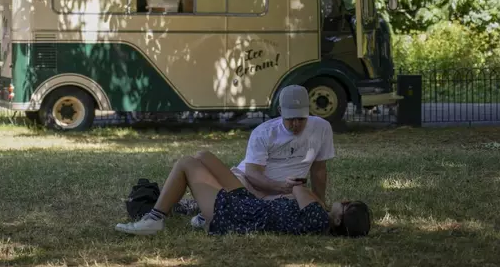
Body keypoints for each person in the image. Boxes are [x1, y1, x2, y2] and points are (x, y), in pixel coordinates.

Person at [115, 150, 371, 237]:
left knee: (186, 163)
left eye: (347, 206)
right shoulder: (317, 215)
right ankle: (202, 214)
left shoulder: (317, 216)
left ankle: (154, 218)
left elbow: (298, 188)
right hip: (249, 205)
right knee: (203, 156)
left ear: (338, 220)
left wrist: (306, 192)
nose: (344, 201)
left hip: (237, 215)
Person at [187, 84, 336, 227]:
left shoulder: (322, 128)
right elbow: (252, 173)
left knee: (290, 209)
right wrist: (281, 187)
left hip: (283, 193)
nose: (296, 124)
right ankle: (199, 208)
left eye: (301, 118)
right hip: (248, 182)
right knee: (228, 199)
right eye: (290, 118)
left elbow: (319, 169)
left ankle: (198, 207)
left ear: (308, 111)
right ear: (280, 111)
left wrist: (320, 203)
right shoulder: (264, 132)